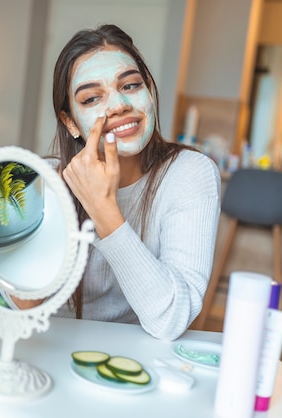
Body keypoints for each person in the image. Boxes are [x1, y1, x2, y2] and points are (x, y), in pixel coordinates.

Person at [47, 24, 221, 341]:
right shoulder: (42, 182)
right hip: (46, 350)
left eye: (130, 86)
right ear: (70, 122)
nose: (118, 105)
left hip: (133, 359)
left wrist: (103, 210)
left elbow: (171, 318)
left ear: (149, 90)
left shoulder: (190, 174)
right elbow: (22, 305)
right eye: (91, 98)